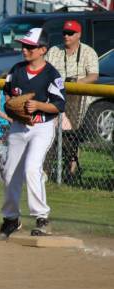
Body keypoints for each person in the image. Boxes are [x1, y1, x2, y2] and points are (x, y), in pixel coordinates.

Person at [0, 28, 66, 241]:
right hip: (18, 127)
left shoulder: (52, 74)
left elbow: (60, 105)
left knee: (32, 168)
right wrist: (14, 108)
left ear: (43, 50)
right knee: (9, 174)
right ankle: (11, 220)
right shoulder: (16, 70)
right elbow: (8, 96)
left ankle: (42, 218)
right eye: (23, 45)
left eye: (30, 47)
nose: (24, 49)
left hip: (42, 128)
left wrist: (39, 106)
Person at [45, 20, 99, 183]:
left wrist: (77, 83)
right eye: (65, 33)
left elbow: (94, 75)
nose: (66, 36)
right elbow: (45, 70)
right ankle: (46, 171)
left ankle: (70, 171)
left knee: (71, 135)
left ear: (79, 35)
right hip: (55, 95)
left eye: (70, 33)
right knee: (50, 132)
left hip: (77, 97)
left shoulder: (88, 52)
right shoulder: (54, 51)